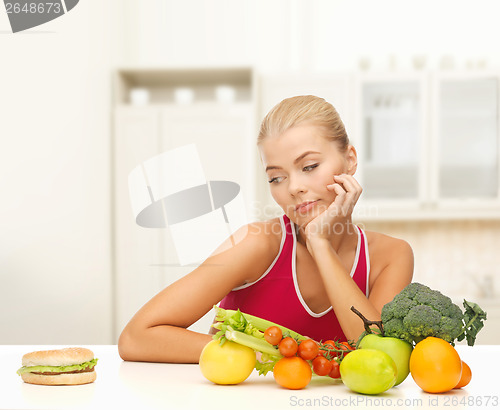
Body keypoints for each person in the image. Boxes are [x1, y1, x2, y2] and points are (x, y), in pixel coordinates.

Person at [118, 95, 414, 363]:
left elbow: (379, 358)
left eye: (309, 166)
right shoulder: (257, 245)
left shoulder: (390, 256)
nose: (295, 188)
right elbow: (136, 336)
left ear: (349, 160)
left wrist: (319, 244)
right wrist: (264, 355)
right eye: (276, 178)